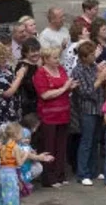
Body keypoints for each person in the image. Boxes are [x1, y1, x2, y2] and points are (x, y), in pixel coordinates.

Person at [32, 47, 75, 188]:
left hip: (64, 113)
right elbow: (44, 95)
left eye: (58, 57)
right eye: (55, 58)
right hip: (49, 115)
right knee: (49, 145)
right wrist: (64, 89)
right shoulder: (40, 73)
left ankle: (60, 175)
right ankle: (49, 178)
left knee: (61, 146)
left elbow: (66, 84)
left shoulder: (61, 69)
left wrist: (70, 86)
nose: (58, 60)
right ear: (46, 59)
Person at [72, 42, 106, 186]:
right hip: (87, 109)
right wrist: (99, 80)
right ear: (83, 57)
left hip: (98, 108)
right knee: (86, 141)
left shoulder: (94, 67)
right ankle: (82, 173)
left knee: (96, 140)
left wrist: (104, 77)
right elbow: (85, 92)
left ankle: (93, 170)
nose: (94, 57)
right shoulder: (77, 71)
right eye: (91, 55)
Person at [0, 122, 27, 205]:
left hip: (1, 174)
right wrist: (25, 155)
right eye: (21, 133)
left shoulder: (3, 146)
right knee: (11, 197)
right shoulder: (15, 147)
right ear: (15, 134)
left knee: (2, 196)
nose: (22, 135)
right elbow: (19, 163)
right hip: (10, 175)